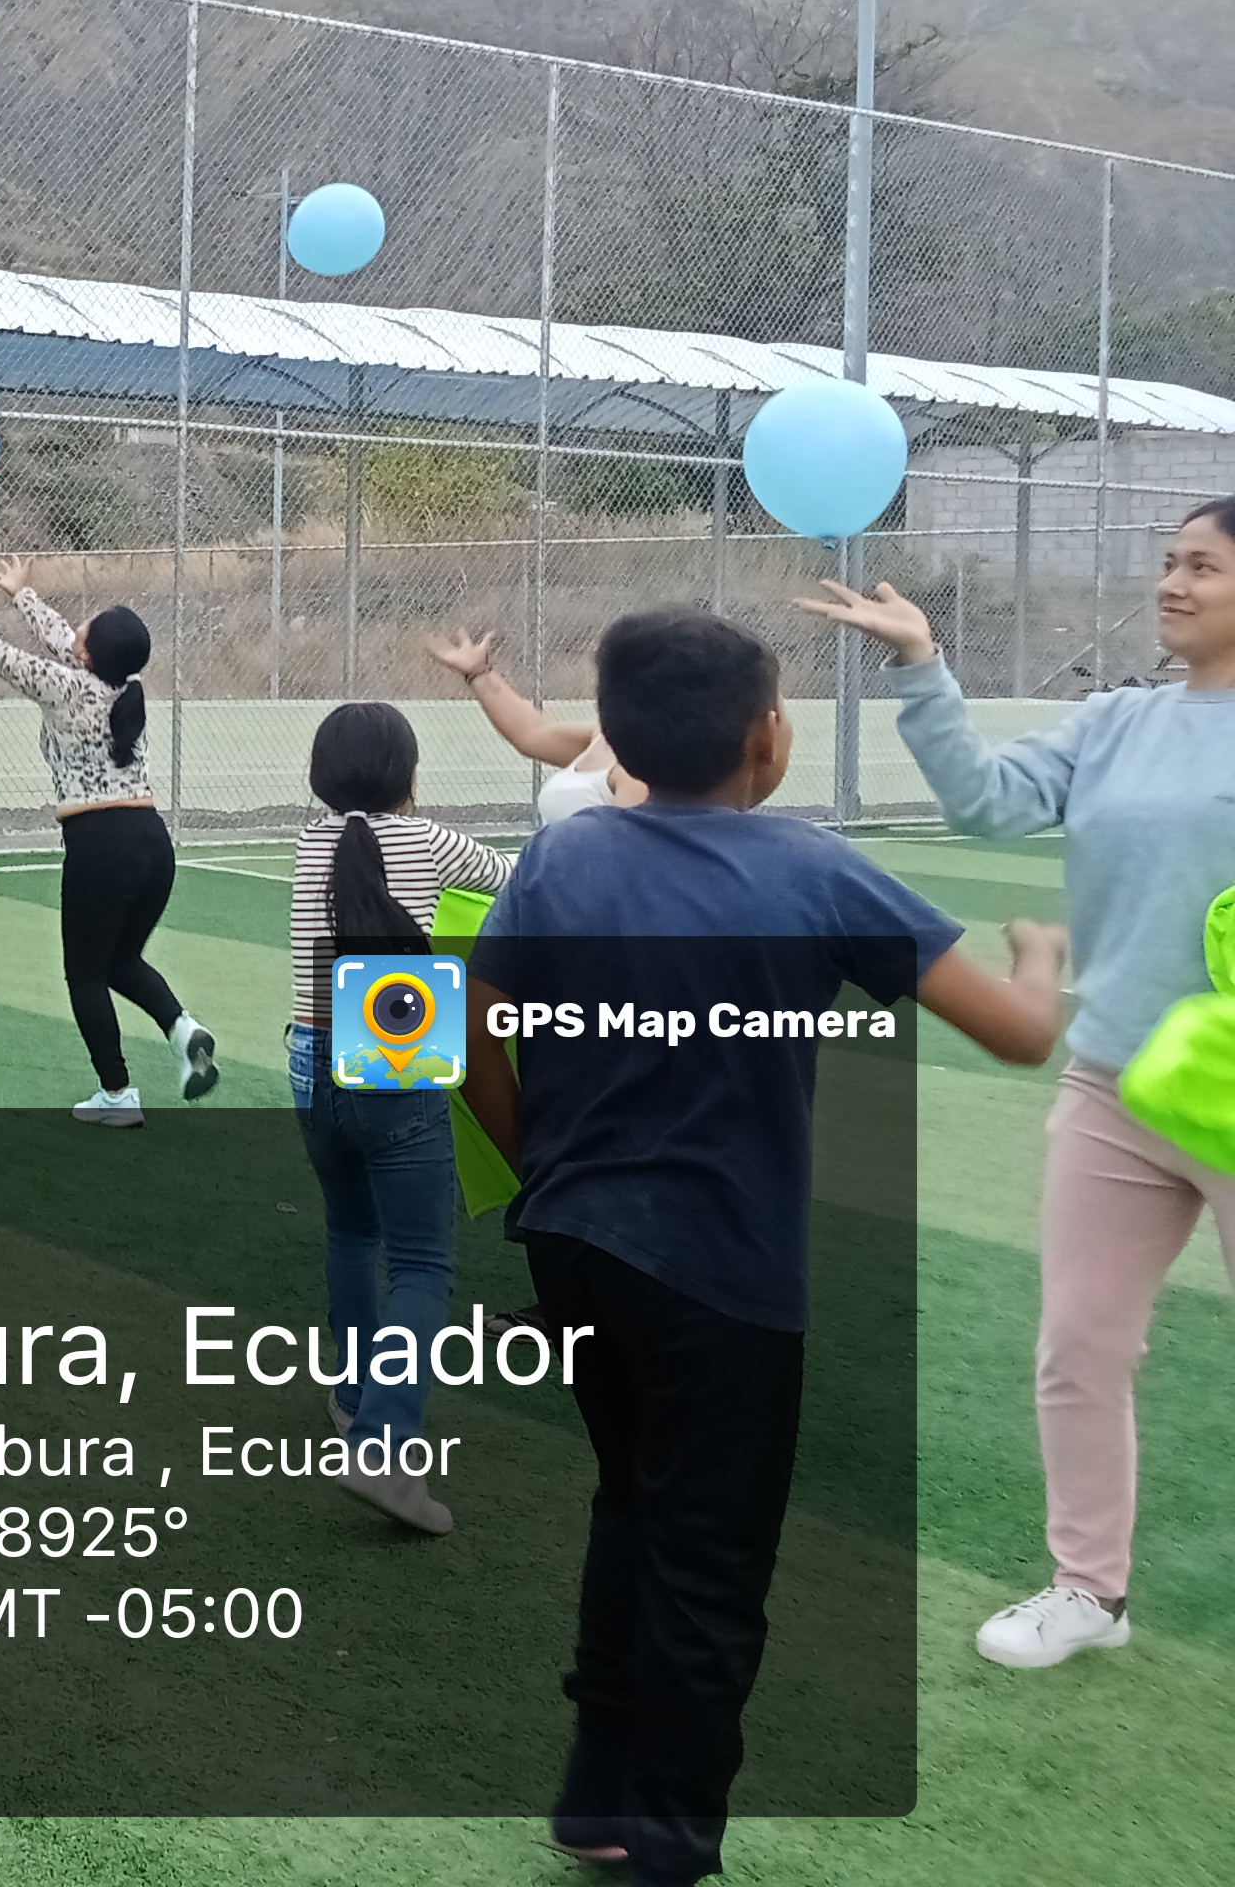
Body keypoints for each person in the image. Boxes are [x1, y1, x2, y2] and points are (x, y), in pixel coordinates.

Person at [460, 607, 1065, 1887]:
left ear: (614, 735)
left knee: (633, 1499)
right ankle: (669, 1840)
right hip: (720, 1275)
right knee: (710, 1557)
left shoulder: (559, 858)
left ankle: (595, 1794)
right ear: (767, 738)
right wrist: (1041, 956)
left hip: (570, 1248)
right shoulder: (813, 870)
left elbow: (459, 1036)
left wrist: (541, 1169)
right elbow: (1018, 1033)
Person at [801, 518, 1235, 1672]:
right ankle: (1089, 1590)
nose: (1172, 583)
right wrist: (920, 662)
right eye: (1170, 562)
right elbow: (988, 803)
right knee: (1079, 1345)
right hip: (1117, 1087)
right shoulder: (1117, 722)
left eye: (1202, 567)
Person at [287, 701, 514, 1535]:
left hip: (310, 1061)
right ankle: (383, 1446)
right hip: (395, 1055)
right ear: (408, 776)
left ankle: (354, 1400)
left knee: (351, 1234)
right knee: (422, 1264)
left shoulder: (309, 843)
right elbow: (516, 881)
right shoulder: (430, 842)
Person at [0, 547, 216, 1118]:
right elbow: (64, 638)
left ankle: (117, 1095)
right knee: (120, 960)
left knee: (85, 974)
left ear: (89, 654)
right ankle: (182, 1029)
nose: (77, 630)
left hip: (101, 847)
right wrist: (22, 595)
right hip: (152, 842)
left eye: (86, 630)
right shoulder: (125, 684)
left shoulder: (64, 686)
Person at [427, 626, 640, 820]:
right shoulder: (608, 736)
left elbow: (631, 846)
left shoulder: (641, 769)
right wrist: (477, 674)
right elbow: (531, 733)